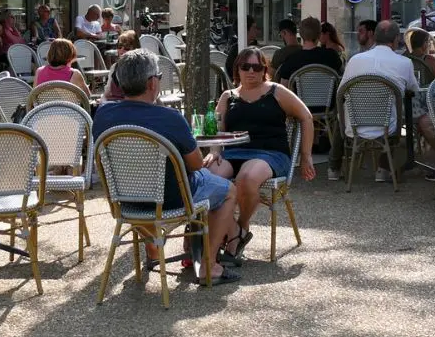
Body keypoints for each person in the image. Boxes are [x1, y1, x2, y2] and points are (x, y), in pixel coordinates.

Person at [92, 49, 240, 284]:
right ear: (152, 83)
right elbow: (194, 165)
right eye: (159, 77)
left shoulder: (102, 115)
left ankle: (153, 247)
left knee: (161, 180)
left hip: (125, 199)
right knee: (228, 190)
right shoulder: (170, 118)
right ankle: (209, 265)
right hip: (172, 199)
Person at [209, 47, 315, 262]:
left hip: (270, 153)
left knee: (247, 177)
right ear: (237, 69)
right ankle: (233, 232)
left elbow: (306, 117)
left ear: (264, 70)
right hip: (234, 152)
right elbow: (217, 130)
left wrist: (306, 156)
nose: (251, 71)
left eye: (257, 67)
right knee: (209, 177)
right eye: (245, 66)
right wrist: (214, 152)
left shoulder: (276, 91)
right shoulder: (228, 97)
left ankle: (241, 227)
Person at [337, 20, 418, 183]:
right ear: (396, 39)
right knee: (395, 113)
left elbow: (341, 92)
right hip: (387, 128)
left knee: (342, 113)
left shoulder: (355, 60)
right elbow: (414, 90)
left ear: (375, 37)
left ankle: (334, 166)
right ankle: (384, 168)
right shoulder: (404, 63)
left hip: (353, 126)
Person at [404, 28, 435, 177]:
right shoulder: (429, 60)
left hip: (405, 104)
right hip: (424, 103)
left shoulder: (404, 58)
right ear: (425, 44)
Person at [275, 17, 344, 87]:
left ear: (301, 35)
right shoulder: (332, 56)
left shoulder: (291, 60)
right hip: (328, 94)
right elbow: (342, 78)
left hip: (298, 94)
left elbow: (284, 87)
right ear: (319, 35)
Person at [102, 30, 141, 102]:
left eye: (127, 47)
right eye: (119, 46)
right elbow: (106, 93)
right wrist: (103, 103)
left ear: (135, 48)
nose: (122, 50)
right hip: (116, 105)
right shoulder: (114, 67)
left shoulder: (142, 68)